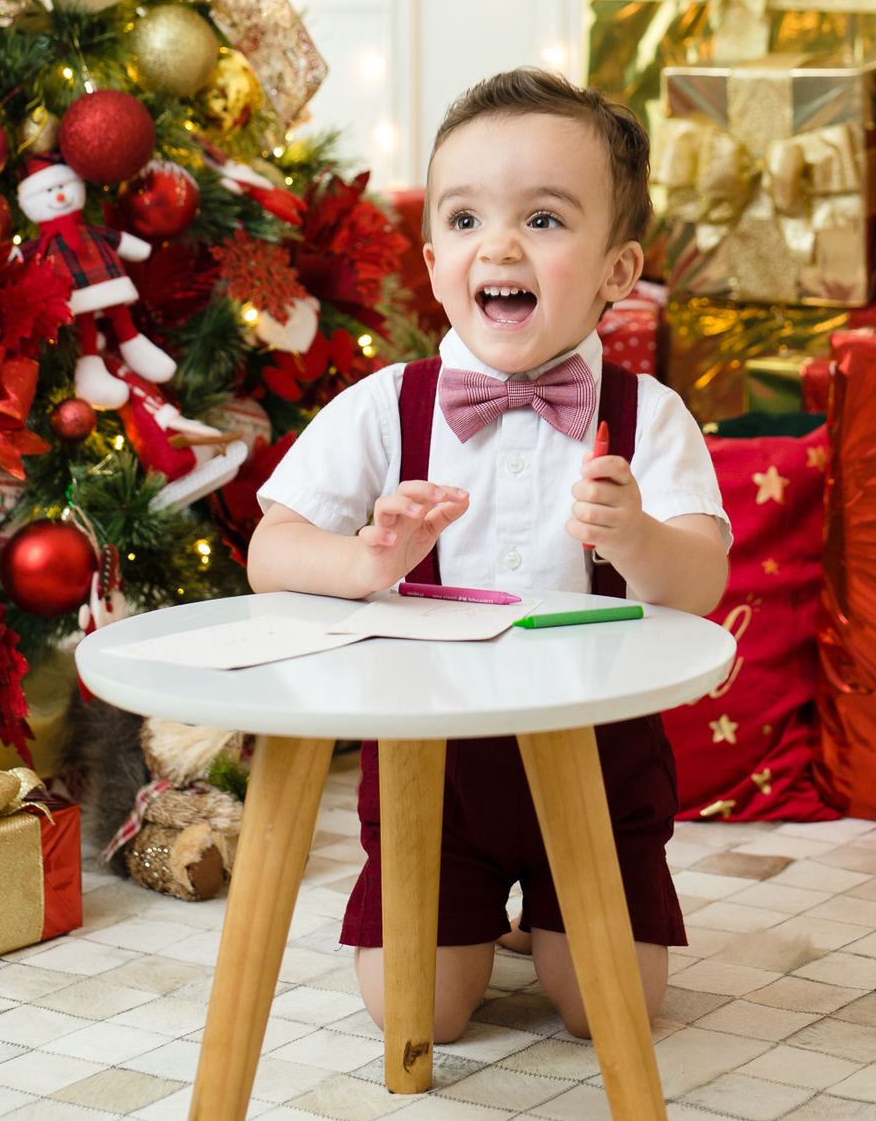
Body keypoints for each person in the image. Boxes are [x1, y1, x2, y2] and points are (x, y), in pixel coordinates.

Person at [248, 69, 730, 1040]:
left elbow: (702, 582)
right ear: (432, 262)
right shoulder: (387, 407)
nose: (500, 245)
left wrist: (635, 536)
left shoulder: (650, 417)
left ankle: (555, 915)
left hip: (597, 759)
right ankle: (474, 919)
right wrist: (366, 564)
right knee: (415, 1015)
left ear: (616, 271)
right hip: (437, 768)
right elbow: (273, 551)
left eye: (545, 221)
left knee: (613, 1009)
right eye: (466, 220)